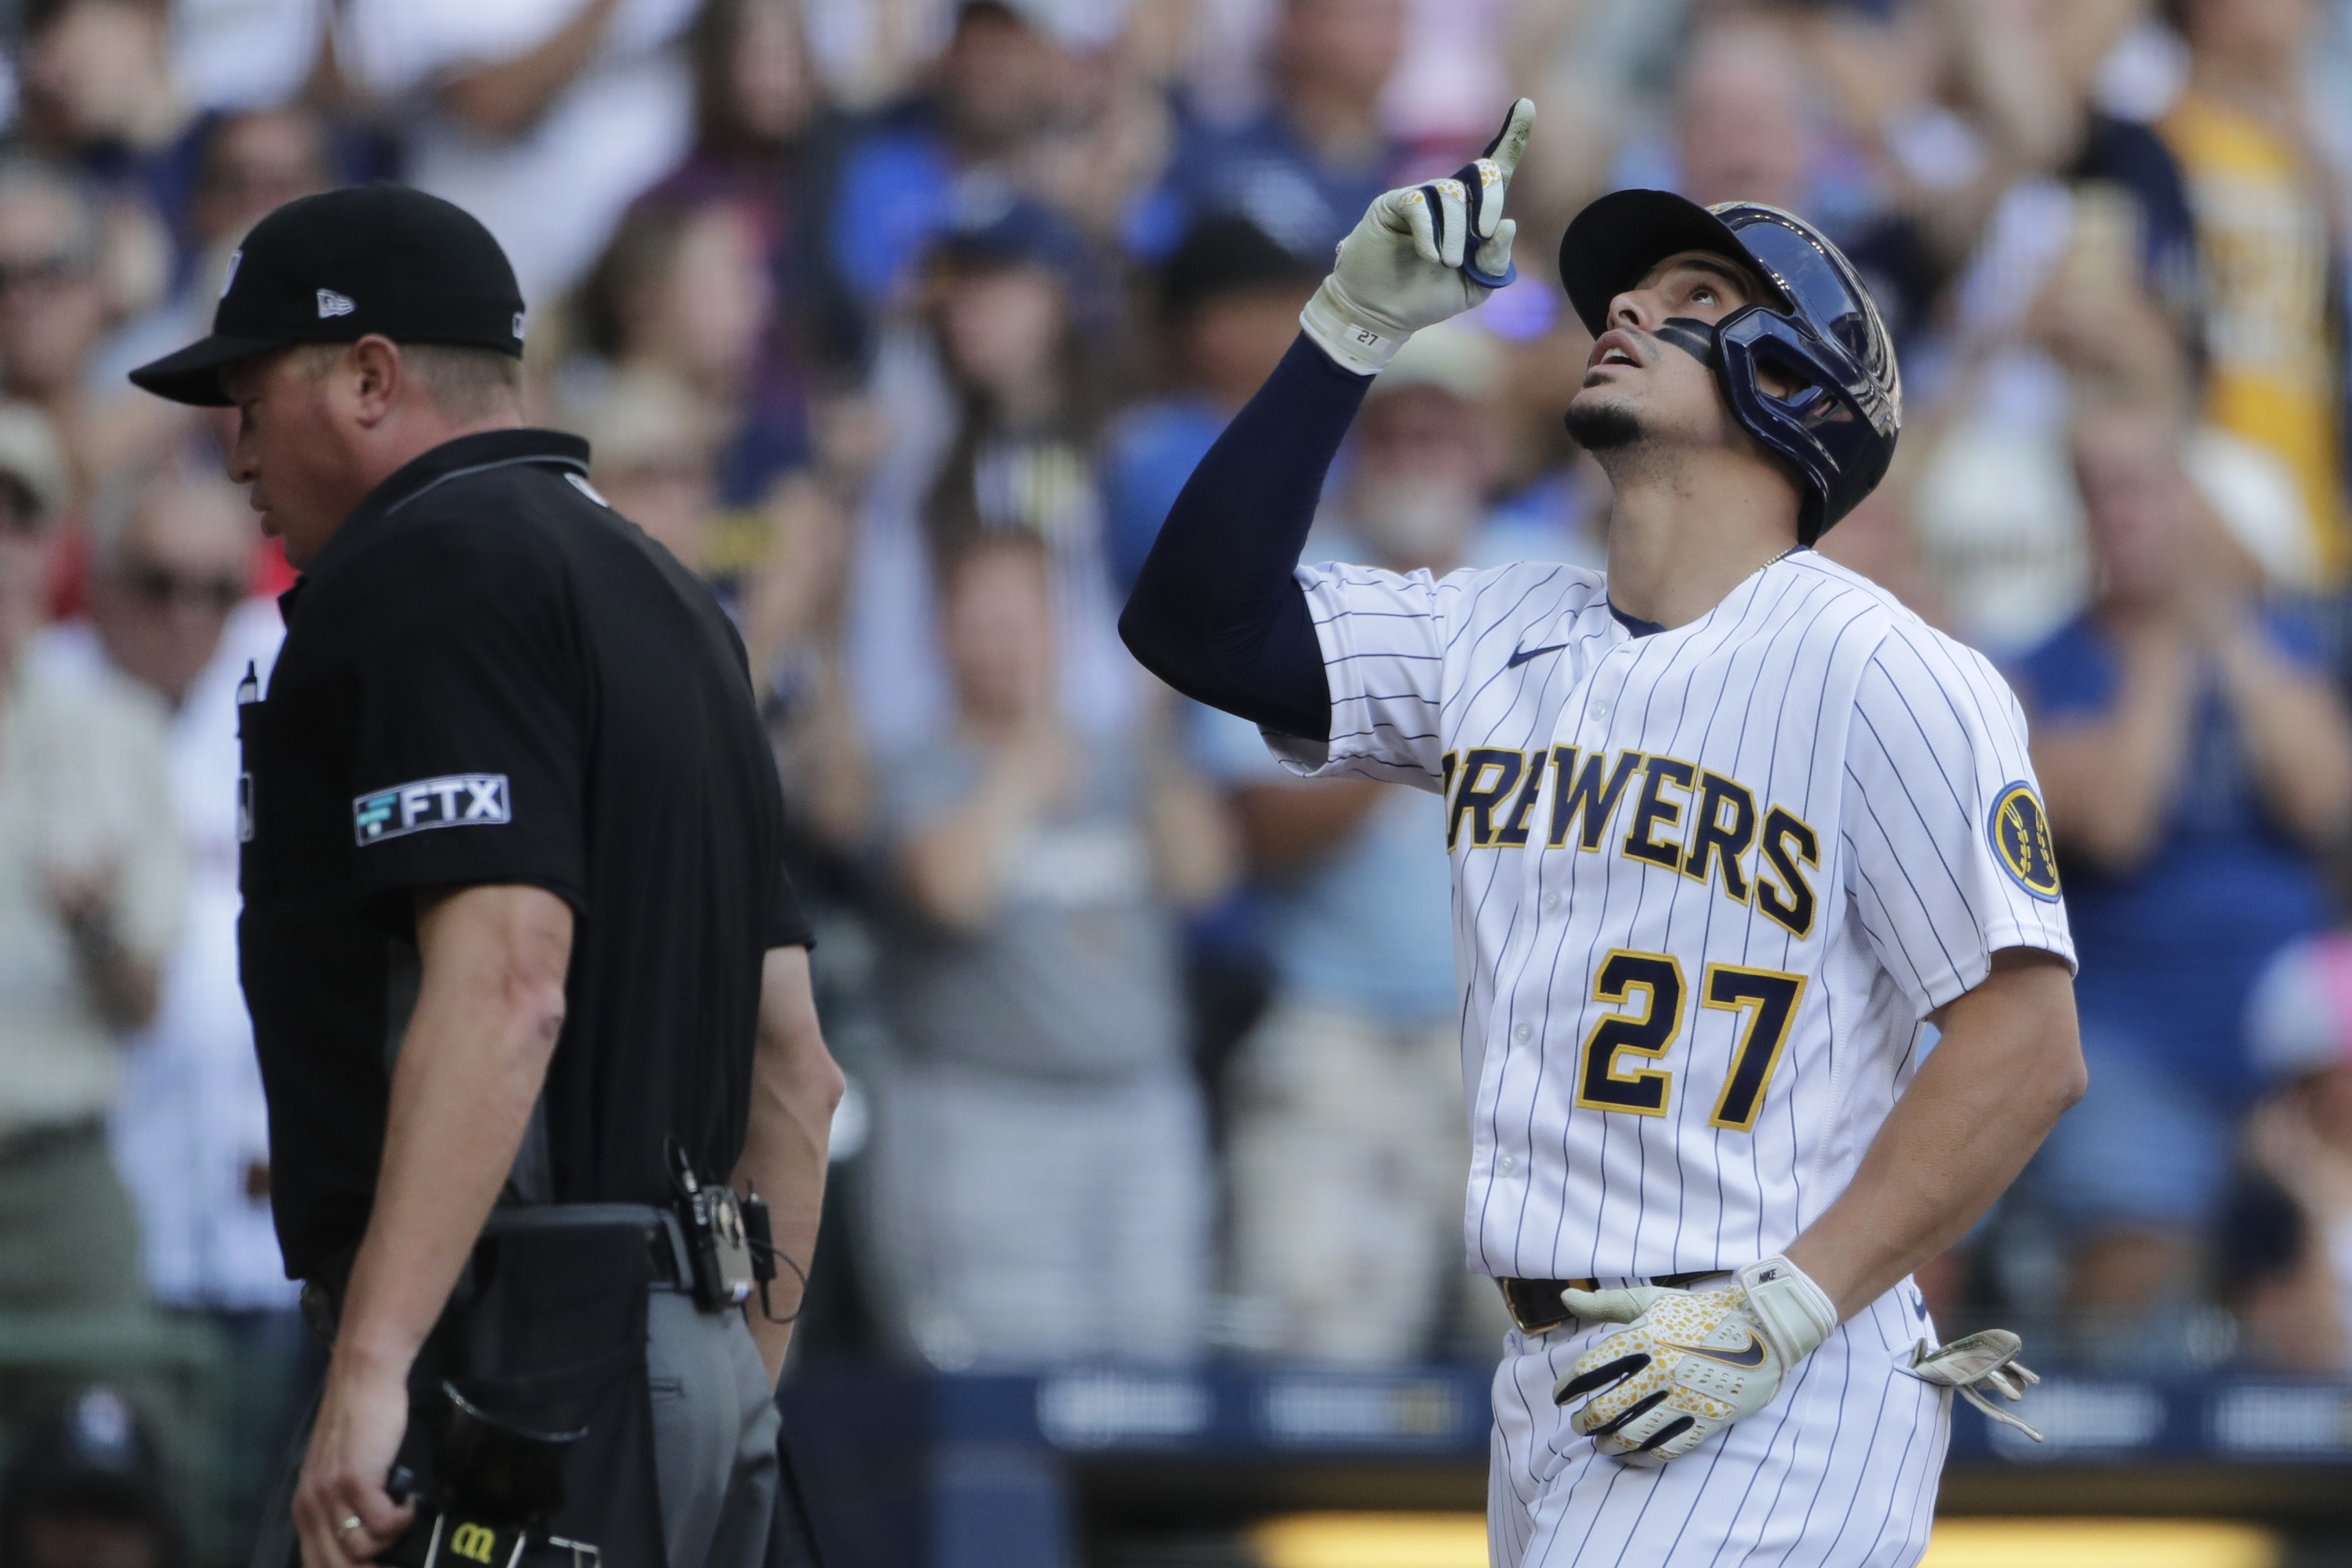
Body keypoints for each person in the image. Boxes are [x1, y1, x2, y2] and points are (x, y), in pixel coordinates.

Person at [1119, 100, 2085, 1563]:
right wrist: (1343, 330)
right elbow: (1196, 622)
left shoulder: (1882, 670)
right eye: (1631, 292)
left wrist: (1784, 1309)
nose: (1626, 306)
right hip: (1555, 1375)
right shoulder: (1496, 622)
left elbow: (2026, 1048)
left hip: (1776, 1373)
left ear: (1790, 378)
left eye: (1695, 300)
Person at [124, 183, 845, 1568]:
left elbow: (508, 981)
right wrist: (725, 1393)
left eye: (250, 395)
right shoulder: (677, 602)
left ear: (370, 376)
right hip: (675, 1360)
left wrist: (379, 1359)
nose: (232, 455)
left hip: (502, 1363)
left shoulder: (433, 566)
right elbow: (794, 1073)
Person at [1200, 323, 1521, 1366]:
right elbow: (1261, 829)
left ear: (1489, 445)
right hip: (1336, 1033)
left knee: (1558, 1373)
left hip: (1525, 1040)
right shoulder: (1295, 587)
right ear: (1360, 447)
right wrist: (1423, 683)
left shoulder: (1559, 576)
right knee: (1318, 1369)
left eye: (1445, 428)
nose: (1420, 449)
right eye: (1397, 431)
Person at [2015, 402, 2352, 1350]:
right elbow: (2118, 824)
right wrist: (2162, 649)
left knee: (2312, 1275)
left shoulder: (2273, 642)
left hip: (2294, 1045)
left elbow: (2325, 798)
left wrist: (2229, 632)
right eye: (2105, 497)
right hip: (2133, 1036)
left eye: (2147, 491)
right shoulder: (2045, 666)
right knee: (2131, 1255)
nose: (2129, 517)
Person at [866, 530, 1225, 1368]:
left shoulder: (1121, 759)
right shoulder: (917, 768)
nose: (1008, 643)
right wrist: (1023, 772)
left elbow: (1204, 878)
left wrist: (1155, 737)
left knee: (1159, 1380)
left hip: (1142, 1120)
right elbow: (950, 896)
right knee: (1008, 1385)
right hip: (985, 1125)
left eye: (1025, 619)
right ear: (942, 635)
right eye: (984, 621)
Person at [39, 460, 299, 1549]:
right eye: (159, 582)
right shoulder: (46, 697)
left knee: (263, 1516)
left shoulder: (284, 677)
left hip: (269, 1224)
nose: (189, 613)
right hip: (105, 1222)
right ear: (98, 584)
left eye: (215, 585)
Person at [0, 400, 183, 1387]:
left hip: (60, 1170)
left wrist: (96, 926)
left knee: (105, 1495)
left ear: (49, 546)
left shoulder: (115, 730)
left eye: (16, 517)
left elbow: (145, 999)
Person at [1102, 214, 1319, 594]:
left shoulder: (1334, 424)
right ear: (1209, 328)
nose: (1306, 316)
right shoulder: (1149, 447)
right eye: (1273, 303)